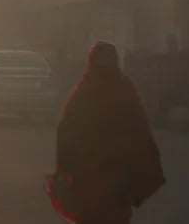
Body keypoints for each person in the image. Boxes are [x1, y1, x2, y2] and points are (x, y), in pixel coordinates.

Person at [52, 42, 165, 224]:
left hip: (116, 172)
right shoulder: (88, 88)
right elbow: (68, 128)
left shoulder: (119, 87)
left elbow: (139, 127)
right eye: (102, 59)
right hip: (91, 171)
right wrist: (66, 165)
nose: (106, 64)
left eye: (109, 59)